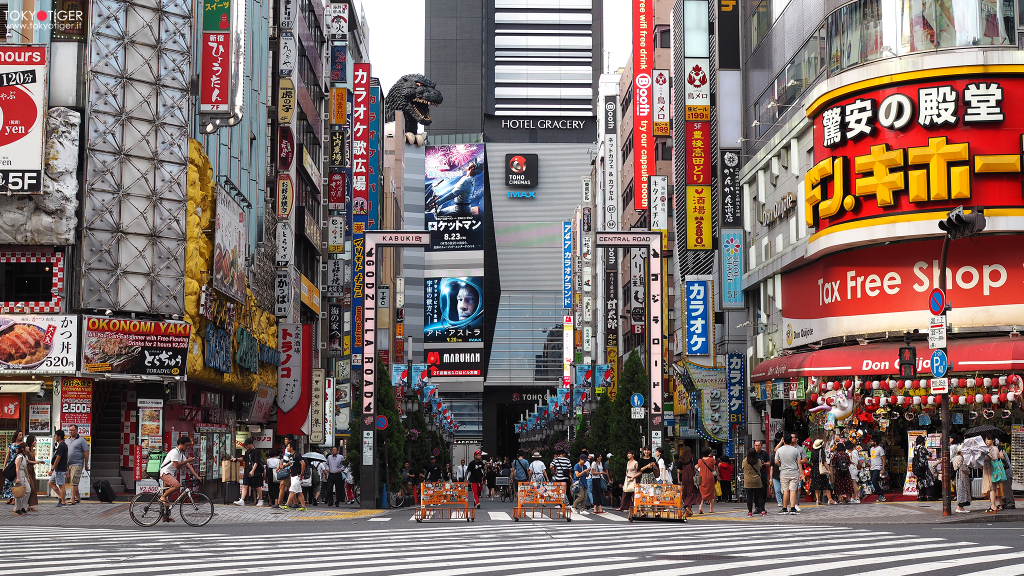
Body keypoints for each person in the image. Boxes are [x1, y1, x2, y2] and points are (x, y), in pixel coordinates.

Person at [159, 436, 199, 522]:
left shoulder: (181, 454)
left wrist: (197, 476)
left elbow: (189, 466)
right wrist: (187, 460)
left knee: (168, 498)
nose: (187, 447)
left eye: (188, 446)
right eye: (186, 445)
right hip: (165, 473)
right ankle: (163, 496)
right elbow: (176, 465)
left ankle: (165, 517)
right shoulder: (175, 452)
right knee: (177, 485)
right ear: (181, 444)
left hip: (170, 474)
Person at [775, 433, 807, 515]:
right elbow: (799, 462)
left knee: (785, 491)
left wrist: (780, 465)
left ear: (783, 440)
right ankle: (793, 508)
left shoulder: (779, 450)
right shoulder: (795, 450)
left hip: (784, 472)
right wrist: (801, 473)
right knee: (793, 490)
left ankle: (784, 508)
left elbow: (776, 462)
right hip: (794, 472)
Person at [234, 437, 264, 506]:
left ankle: (261, 499)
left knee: (257, 486)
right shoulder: (247, 452)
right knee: (245, 485)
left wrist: (253, 471)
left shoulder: (256, 451)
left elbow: (256, 462)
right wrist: (236, 459)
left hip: (255, 472)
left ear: (251, 444)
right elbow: (244, 459)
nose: (246, 446)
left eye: (247, 445)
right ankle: (242, 500)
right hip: (247, 471)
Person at [65, 425, 89, 506]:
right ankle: (78, 497)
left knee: (74, 480)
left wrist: (86, 464)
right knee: (71, 480)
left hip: (77, 463)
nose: (71, 432)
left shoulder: (81, 440)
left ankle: (72, 498)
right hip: (68, 463)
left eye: (72, 430)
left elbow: (86, 452)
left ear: (76, 430)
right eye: (70, 430)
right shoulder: (67, 440)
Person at [982, 434, 1005, 514]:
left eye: (988, 439)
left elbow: (995, 458)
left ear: (993, 440)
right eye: (986, 440)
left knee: (992, 488)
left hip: (992, 471)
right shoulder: (987, 449)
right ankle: (992, 505)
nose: (987, 441)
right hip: (988, 470)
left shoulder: (994, 448)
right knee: (990, 488)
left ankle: (993, 506)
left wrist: (987, 455)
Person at [674, 447, 700, 518]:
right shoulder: (692, 458)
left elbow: (678, 471)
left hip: (684, 477)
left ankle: (688, 509)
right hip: (692, 477)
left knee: (685, 492)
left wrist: (683, 473)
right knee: (691, 492)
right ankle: (687, 507)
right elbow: (696, 467)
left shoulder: (681, 459)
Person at [809, 439, 835, 505]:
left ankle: (818, 500)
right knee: (826, 485)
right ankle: (830, 499)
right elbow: (824, 462)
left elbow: (812, 462)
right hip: (820, 470)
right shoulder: (821, 451)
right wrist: (828, 470)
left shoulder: (813, 452)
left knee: (816, 485)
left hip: (814, 469)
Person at [48, 430, 68, 507]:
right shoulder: (61, 445)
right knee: (50, 482)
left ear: (59, 437)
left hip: (59, 468)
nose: (55, 437)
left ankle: (63, 502)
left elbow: (58, 458)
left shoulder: (62, 445)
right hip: (58, 469)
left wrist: (52, 469)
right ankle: (60, 497)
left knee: (61, 485)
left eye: (55, 436)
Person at [743, 448, 766, 517]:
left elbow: (743, 467)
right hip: (757, 480)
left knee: (749, 497)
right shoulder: (758, 461)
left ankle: (750, 512)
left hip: (748, 481)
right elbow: (760, 468)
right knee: (760, 496)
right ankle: (763, 511)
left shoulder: (745, 461)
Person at [911, 435, 935, 502]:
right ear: (922, 441)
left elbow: (919, 456)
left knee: (920, 481)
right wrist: (932, 451)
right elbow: (929, 453)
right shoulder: (922, 447)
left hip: (918, 467)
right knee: (928, 480)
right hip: (924, 467)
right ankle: (929, 496)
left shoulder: (915, 448)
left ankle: (921, 496)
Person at [3, 430, 24, 505]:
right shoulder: (10, 445)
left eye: (22, 435)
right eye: (20, 435)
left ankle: (15, 498)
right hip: (10, 464)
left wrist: (19, 451)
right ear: (16, 436)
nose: (21, 436)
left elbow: (25, 454)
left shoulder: (22, 445)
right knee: (9, 481)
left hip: (18, 464)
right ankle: (10, 497)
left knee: (15, 481)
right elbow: (7, 456)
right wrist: (4, 466)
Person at [697, 447, 718, 514]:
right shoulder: (712, 460)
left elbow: (697, 467)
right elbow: (714, 468)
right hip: (709, 477)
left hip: (701, 477)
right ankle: (711, 509)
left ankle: (700, 507)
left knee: (701, 492)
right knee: (711, 492)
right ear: (709, 453)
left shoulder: (700, 460)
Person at [952, 444, 971, 513]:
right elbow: (963, 467)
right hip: (962, 477)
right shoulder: (960, 458)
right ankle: (960, 507)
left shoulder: (956, 458)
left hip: (959, 477)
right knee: (962, 491)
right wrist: (968, 470)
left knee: (961, 491)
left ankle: (959, 507)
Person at [12, 442, 30, 516]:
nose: (28, 447)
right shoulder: (19, 456)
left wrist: (27, 477)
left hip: (23, 474)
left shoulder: (25, 457)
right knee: (19, 493)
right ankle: (17, 509)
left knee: (28, 490)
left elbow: (25, 468)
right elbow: (17, 467)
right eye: (26, 446)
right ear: (22, 448)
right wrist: (18, 478)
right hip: (19, 474)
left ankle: (23, 506)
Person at [753, 439, 771, 508]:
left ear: (761, 446)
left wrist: (764, 464)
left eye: (759, 445)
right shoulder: (752, 453)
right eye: (756, 445)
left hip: (762, 475)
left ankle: (762, 507)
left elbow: (769, 463)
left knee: (763, 492)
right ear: (754, 446)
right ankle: (757, 507)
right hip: (754, 476)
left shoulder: (764, 453)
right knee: (755, 492)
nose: (757, 447)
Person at [869, 437, 887, 502]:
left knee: (874, 480)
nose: (871, 442)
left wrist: (883, 468)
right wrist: (870, 465)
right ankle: (879, 495)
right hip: (872, 467)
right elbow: (872, 458)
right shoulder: (871, 449)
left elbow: (883, 459)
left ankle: (881, 494)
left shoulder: (880, 449)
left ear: (875, 442)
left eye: (872, 441)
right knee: (873, 481)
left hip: (878, 467)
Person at [23, 435, 38, 512]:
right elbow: (27, 461)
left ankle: (31, 505)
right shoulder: (27, 450)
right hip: (27, 470)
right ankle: (25, 505)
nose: (35, 442)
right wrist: (37, 462)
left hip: (31, 470)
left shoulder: (32, 450)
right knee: (30, 487)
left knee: (34, 487)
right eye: (34, 441)